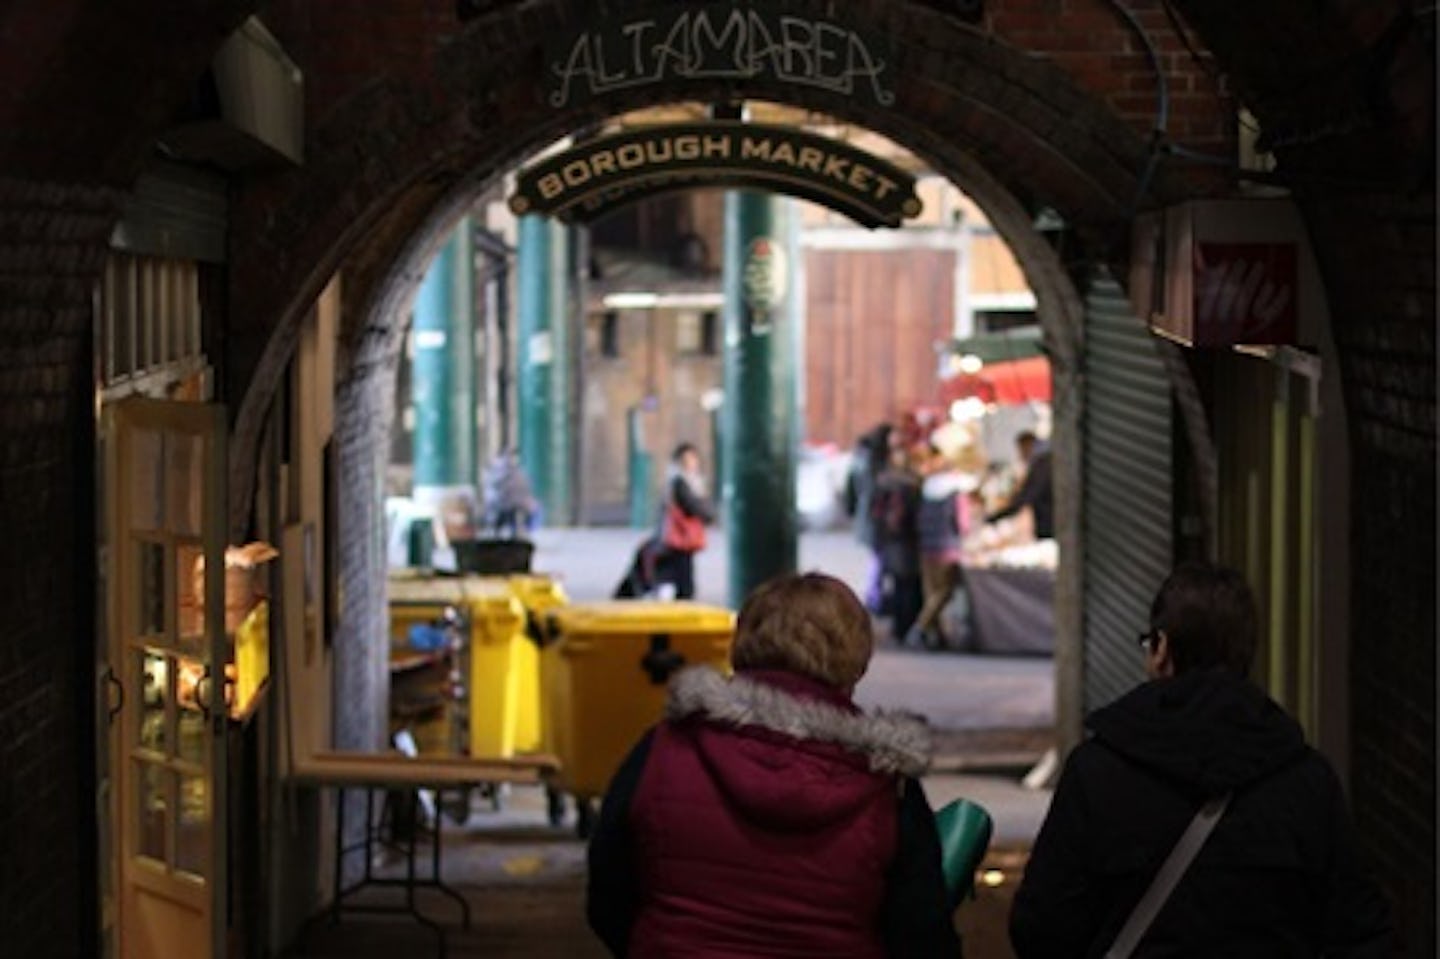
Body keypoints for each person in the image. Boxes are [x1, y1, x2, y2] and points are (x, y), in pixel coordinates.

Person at [1009, 563, 1391, 958]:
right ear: (1246, 656)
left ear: (1161, 649)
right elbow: (1358, 927)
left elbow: (1040, 926)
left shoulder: (1096, 772)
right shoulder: (1307, 780)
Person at [587, 572, 962, 958]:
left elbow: (607, 890)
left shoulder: (664, 748)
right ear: (858, 659)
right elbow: (921, 932)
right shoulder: (886, 781)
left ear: (742, 642)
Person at [909, 446, 973, 650]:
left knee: (931, 592)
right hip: (948, 547)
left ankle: (936, 637)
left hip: (926, 547)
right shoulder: (956, 495)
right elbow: (963, 524)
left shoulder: (927, 489)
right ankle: (920, 628)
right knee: (944, 592)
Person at [871, 443, 924, 642]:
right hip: (908, 540)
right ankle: (907, 625)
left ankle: (899, 627)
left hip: (889, 540)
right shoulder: (913, 485)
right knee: (910, 584)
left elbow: (874, 513)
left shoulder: (882, 482)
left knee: (898, 583)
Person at [652, 441, 714, 600]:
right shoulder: (680, 482)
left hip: (676, 539)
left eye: (693, 459)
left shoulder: (687, 481)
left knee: (677, 575)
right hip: (679, 537)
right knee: (683, 579)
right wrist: (709, 515)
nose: (692, 463)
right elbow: (690, 505)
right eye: (687, 460)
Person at [844, 422, 894, 612]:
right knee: (879, 558)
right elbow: (876, 489)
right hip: (875, 516)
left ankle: (875, 595)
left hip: (866, 513)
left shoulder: (860, 457)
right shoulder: (875, 462)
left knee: (877, 557)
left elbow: (851, 487)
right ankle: (875, 597)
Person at [985, 430, 1053, 540]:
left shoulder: (1042, 463)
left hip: (1050, 524)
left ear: (1027, 445)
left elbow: (1027, 496)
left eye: (1021, 450)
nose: (1020, 455)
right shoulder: (1044, 460)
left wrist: (995, 517)